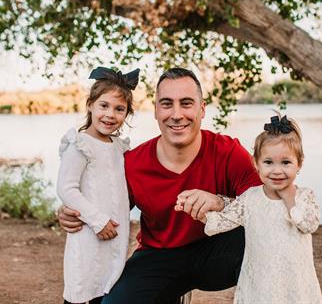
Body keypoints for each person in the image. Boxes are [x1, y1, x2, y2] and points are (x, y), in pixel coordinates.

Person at [58, 67, 261, 304]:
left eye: (186, 103)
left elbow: (267, 207)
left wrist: (220, 202)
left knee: (269, 243)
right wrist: (71, 210)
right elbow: (105, 201)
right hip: (158, 257)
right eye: (166, 104)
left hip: (218, 251)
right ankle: (170, 295)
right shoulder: (132, 163)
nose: (176, 114)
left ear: (202, 108)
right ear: (155, 110)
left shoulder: (228, 152)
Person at [178, 114, 322, 303]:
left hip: (294, 281)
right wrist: (198, 211)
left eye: (286, 162)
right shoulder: (251, 198)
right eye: (268, 162)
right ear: (256, 164)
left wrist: (289, 196)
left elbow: (309, 224)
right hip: (261, 282)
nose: (277, 170)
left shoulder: (305, 196)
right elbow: (224, 220)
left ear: (299, 164)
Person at [57, 67, 140, 304]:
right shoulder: (80, 144)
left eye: (119, 109)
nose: (110, 114)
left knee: (105, 289)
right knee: (83, 287)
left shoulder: (118, 146)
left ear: (127, 114)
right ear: (90, 105)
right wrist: (98, 220)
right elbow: (67, 189)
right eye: (104, 106)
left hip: (115, 236)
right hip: (88, 233)